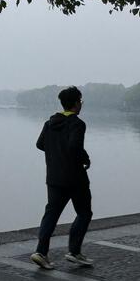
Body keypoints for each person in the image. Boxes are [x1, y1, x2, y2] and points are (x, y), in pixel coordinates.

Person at [30, 86, 94, 270]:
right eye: (80, 101)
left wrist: (56, 153)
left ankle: (41, 252)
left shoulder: (50, 123)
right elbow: (74, 146)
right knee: (84, 213)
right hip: (75, 178)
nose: (81, 105)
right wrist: (85, 158)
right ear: (75, 104)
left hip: (54, 178)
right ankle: (74, 252)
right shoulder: (77, 124)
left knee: (51, 213)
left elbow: (40, 144)